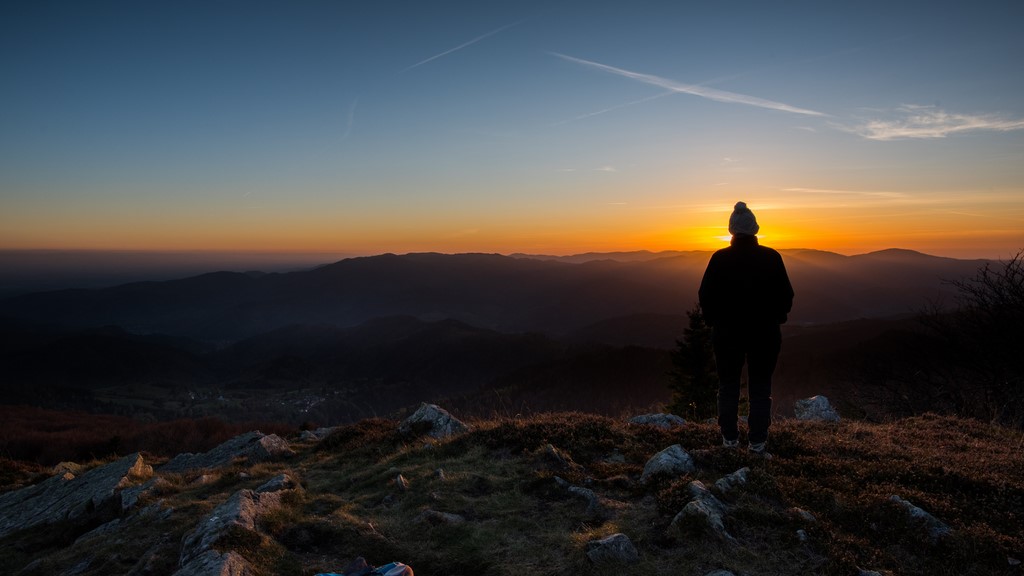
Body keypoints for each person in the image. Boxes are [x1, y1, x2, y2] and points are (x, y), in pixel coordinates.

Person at [698, 201, 793, 456]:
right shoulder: (772, 257)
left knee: (728, 385)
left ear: (732, 230)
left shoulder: (719, 259)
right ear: (755, 229)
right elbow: (786, 296)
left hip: (727, 334)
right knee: (761, 388)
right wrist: (778, 318)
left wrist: (713, 321)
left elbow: (705, 295)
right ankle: (757, 444)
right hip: (765, 334)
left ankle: (729, 440)